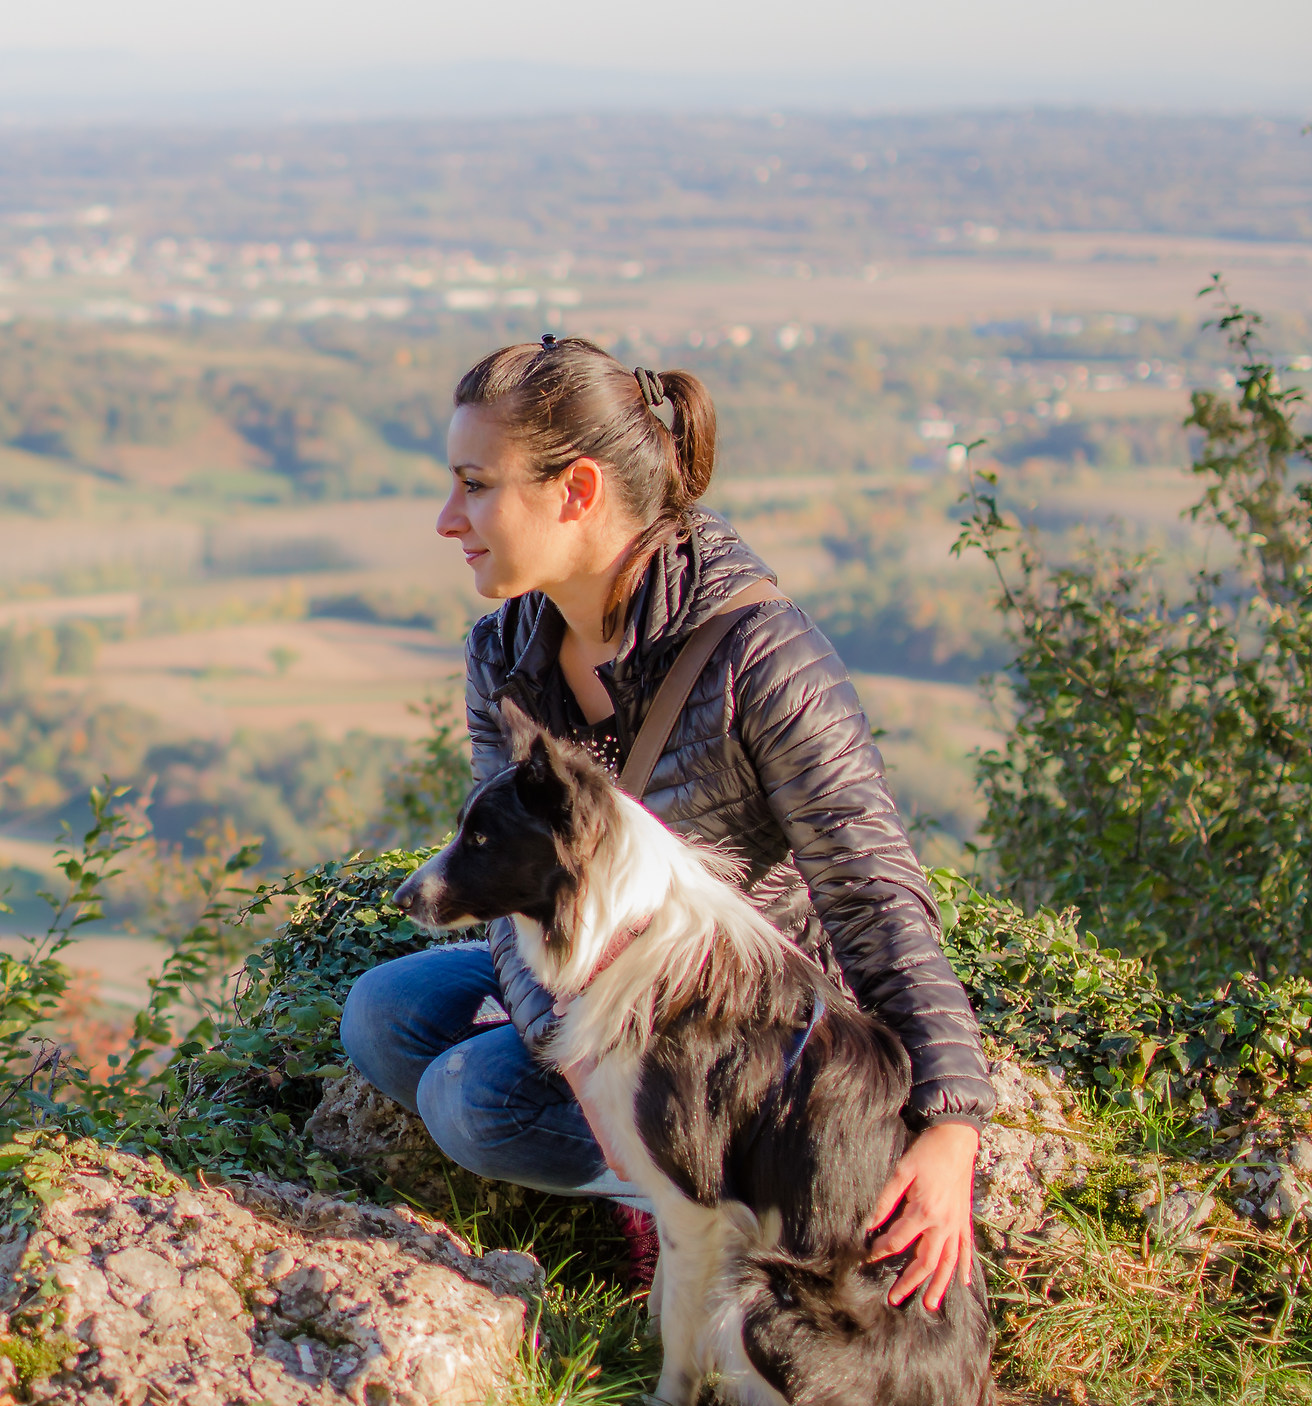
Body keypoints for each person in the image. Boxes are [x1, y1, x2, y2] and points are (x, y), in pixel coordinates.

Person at [339, 335, 994, 1311]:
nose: (447, 518)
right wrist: (575, 1049)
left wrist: (950, 1119)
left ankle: (696, 1202)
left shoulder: (760, 655)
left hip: (736, 1027)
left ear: (577, 490)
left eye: (475, 485)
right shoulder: (504, 654)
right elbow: (513, 897)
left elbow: (873, 891)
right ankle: (644, 1167)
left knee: (469, 1098)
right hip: (605, 988)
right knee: (384, 1014)